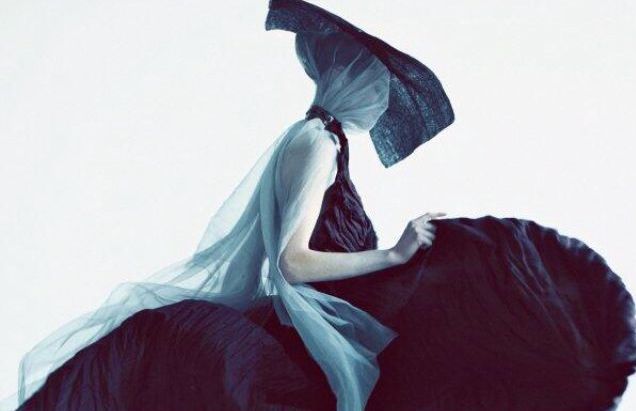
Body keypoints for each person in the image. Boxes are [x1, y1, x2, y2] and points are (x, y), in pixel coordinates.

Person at [4, 1, 636, 411]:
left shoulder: (326, 141)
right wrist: (393, 254)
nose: (381, 101)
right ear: (347, 78)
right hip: (315, 316)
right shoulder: (318, 142)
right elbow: (294, 263)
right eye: (376, 86)